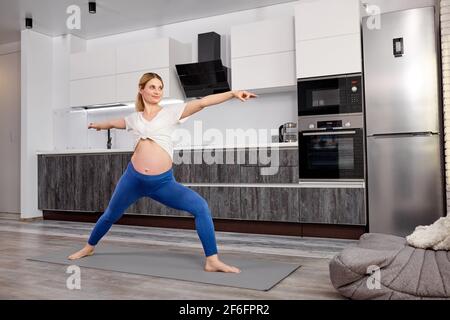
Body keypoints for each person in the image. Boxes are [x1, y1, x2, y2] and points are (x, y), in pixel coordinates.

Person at [68, 72, 257, 273]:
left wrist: (233, 93)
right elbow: (115, 123)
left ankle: (212, 260)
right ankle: (89, 247)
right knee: (110, 214)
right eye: (152, 87)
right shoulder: (134, 118)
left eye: (160, 87)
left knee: (200, 207)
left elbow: (203, 103)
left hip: (162, 183)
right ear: (141, 90)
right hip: (133, 179)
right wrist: (99, 125)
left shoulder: (171, 112)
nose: (157, 91)